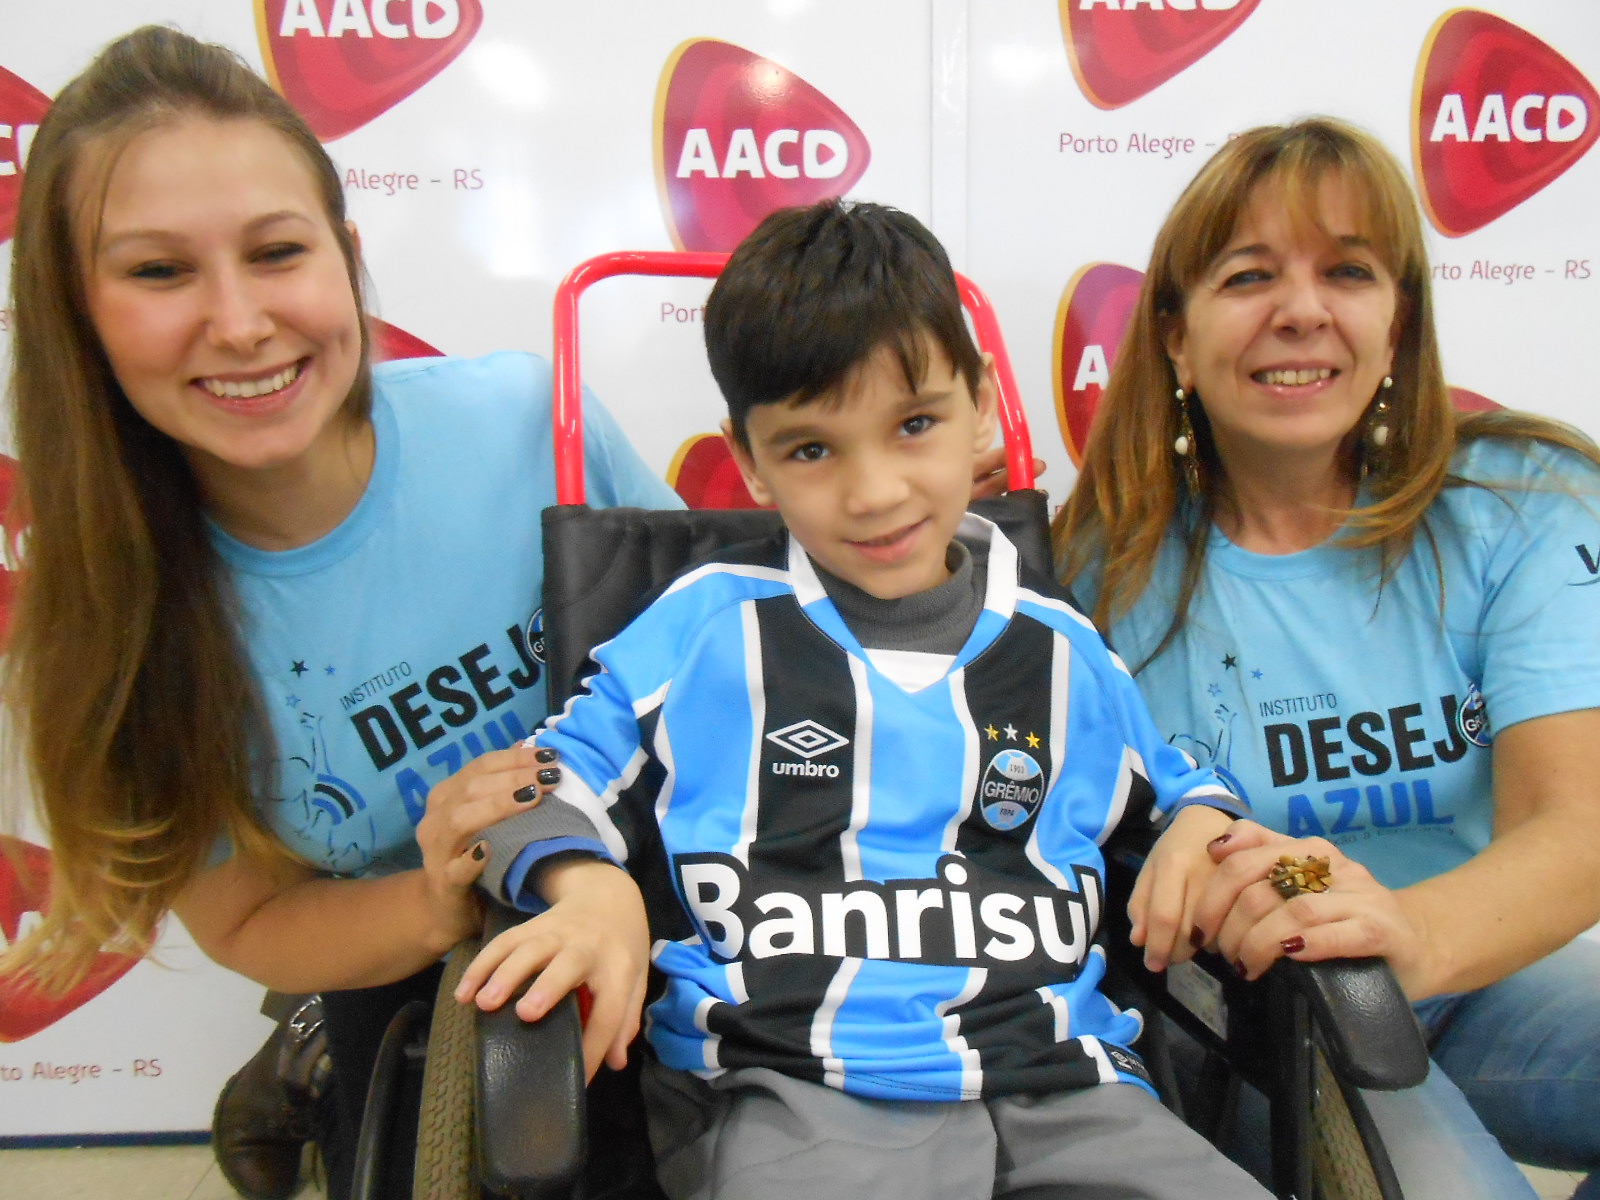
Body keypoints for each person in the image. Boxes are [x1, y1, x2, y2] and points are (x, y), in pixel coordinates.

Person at [455, 199, 1270, 1200]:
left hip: (1075, 1093)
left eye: (914, 424)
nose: (875, 490)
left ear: (977, 406)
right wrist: (591, 888)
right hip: (797, 1093)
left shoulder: (1063, 650)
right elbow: (533, 786)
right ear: (747, 459)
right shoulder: (705, 631)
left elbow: (1180, 786)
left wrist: (1202, 828)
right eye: (811, 449)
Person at [0, 26, 681, 1199]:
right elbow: (253, 915)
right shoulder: (114, 617)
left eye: (276, 253)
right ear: (77, 313)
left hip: (679, 907)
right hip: (422, 966)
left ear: (347, 259)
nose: (241, 322)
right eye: (158, 273)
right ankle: (319, 1049)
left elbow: (740, 658)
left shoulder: (528, 420)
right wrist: (432, 898)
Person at [1054, 117, 1600, 1200]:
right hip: (1270, 1017)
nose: (1301, 310)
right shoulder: (1083, 573)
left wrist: (1415, 932)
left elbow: (1574, 826)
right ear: (1172, 335)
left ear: (1397, 322)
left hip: (1490, 969)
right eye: (1248, 274)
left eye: (1347, 271)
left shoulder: (1522, 503)